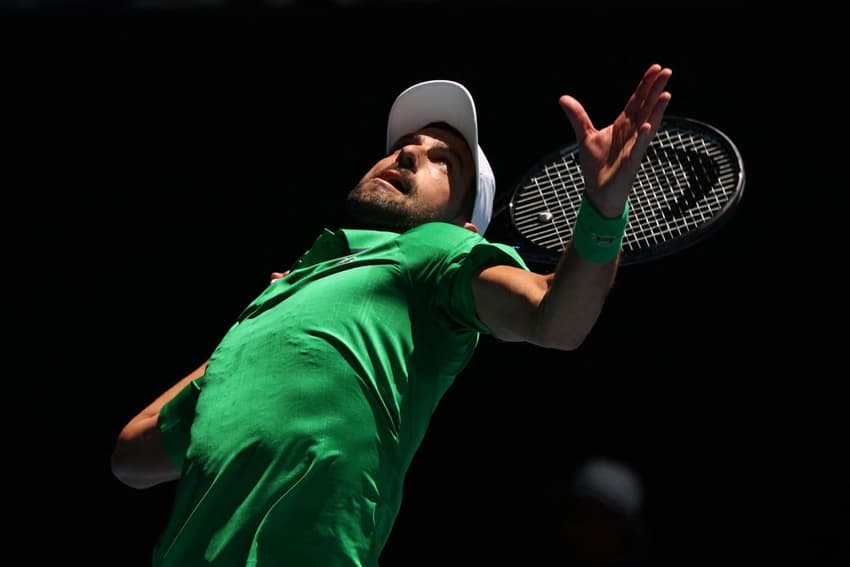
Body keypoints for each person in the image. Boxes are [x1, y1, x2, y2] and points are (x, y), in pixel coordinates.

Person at [111, 63, 673, 566]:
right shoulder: (272, 305)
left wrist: (603, 210)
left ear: (464, 227)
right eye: (406, 143)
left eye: (441, 159)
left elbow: (557, 321)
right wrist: (248, 341)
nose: (407, 153)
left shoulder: (435, 252)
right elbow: (133, 455)